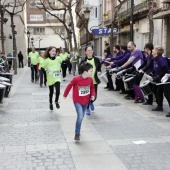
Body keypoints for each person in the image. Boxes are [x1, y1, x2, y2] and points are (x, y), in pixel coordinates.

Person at [63, 62, 95, 140]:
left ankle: (78, 129)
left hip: (86, 101)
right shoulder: (76, 79)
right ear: (85, 72)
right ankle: (77, 133)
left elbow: (92, 88)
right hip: (77, 101)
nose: (92, 72)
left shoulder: (90, 79)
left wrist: (93, 95)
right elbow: (69, 86)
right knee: (80, 116)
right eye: (91, 71)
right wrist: (65, 94)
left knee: (81, 117)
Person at [80, 46, 101, 115]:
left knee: (94, 96)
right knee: (87, 96)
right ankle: (87, 108)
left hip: (94, 81)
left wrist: (99, 71)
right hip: (86, 82)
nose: (90, 52)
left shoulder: (96, 59)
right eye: (88, 51)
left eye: (91, 50)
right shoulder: (83, 61)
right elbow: (80, 71)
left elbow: (99, 68)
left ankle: (91, 102)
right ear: (85, 52)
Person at [150, 46, 169, 111]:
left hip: (165, 78)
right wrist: (152, 73)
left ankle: (160, 105)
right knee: (157, 91)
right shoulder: (155, 59)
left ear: (157, 51)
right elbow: (156, 68)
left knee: (166, 93)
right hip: (159, 77)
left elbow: (165, 70)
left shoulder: (161, 59)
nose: (152, 50)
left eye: (154, 49)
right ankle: (159, 106)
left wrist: (158, 77)